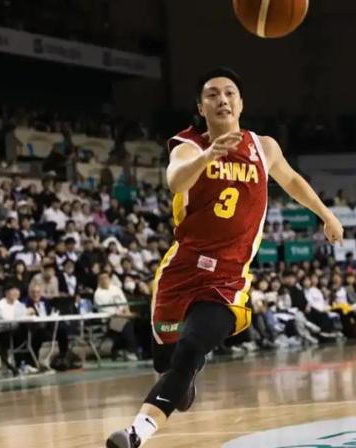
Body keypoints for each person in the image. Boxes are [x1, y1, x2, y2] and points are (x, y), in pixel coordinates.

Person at [106, 68, 343, 447]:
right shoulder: (188, 145)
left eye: (230, 93)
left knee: (191, 349)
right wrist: (209, 156)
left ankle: (137, 433)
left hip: (227, 280)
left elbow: (292, 180)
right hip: (180, 272)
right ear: (201, 107)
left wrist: (326, 214)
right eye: (212, 94)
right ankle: (179, 383)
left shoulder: (263, 147)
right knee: (168, 365)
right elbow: (176, 180)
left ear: (241, 103)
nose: (222, 100)